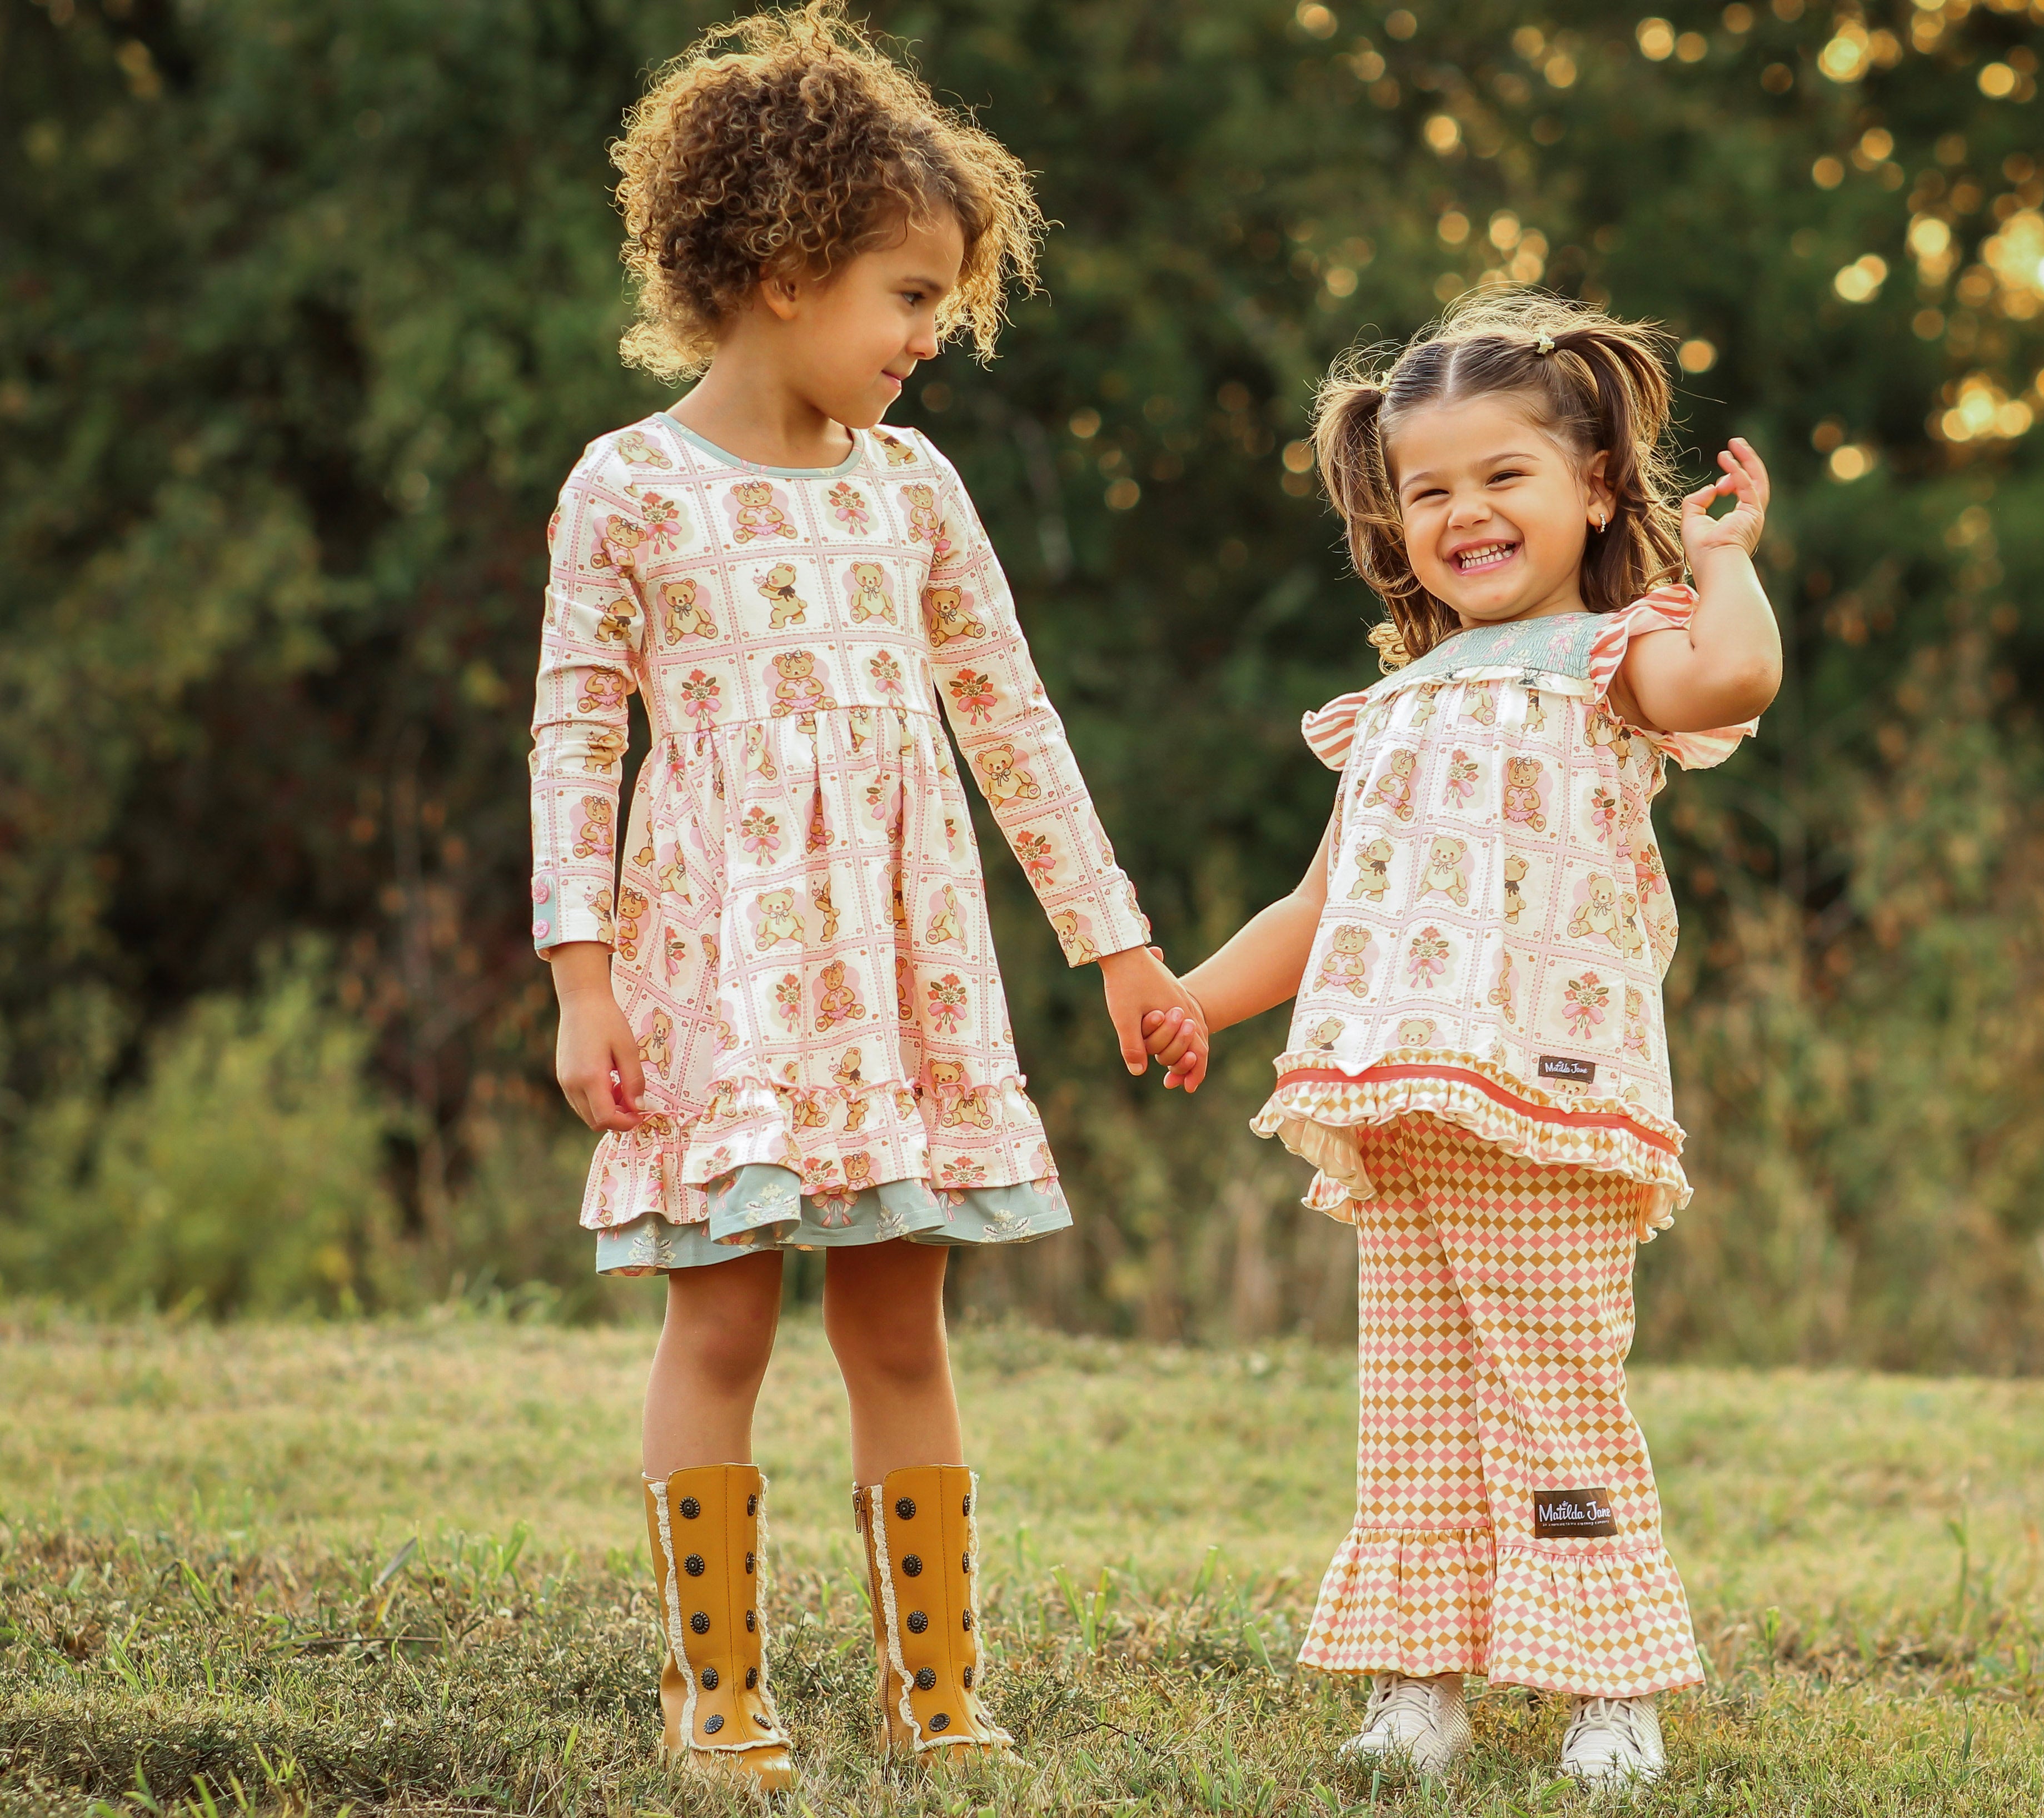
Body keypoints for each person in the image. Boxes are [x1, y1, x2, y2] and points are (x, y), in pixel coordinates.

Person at [526, 6, 1203, 1787]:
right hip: (721, 976)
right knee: (724, 1311)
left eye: (943, 306)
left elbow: (1011, 722)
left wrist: (1119, 948)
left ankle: (936, 1685)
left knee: (901, 1316)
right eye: (909, 298)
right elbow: (571, 741)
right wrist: (579, 976)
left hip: (901, 975)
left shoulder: (914, 492)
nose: (931, 341)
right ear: (775, 268)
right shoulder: (628, 489)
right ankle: (718, 1691)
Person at [1159, 291, 1781, 1788]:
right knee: (1419, 1404)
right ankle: (1417, 1685)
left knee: (1557, 1383)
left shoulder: (1609, 657)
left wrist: (1723, 564)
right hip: (1399, 1097)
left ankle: (1606, 1685)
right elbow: (1318, 903)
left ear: (1591, 489)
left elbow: (1736, 681)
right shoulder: (1391, 704)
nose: (1465, 512)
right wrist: (1191, 996)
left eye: (1502, 476)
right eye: (1428, 490)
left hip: (1547, 1090)